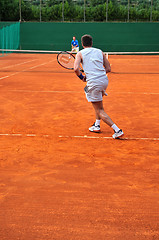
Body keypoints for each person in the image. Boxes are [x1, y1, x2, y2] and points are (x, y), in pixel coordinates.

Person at [74, 34, 124, 139]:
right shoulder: (99, 51)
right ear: (91, 43)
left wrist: (83, 78)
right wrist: (95, 74)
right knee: (98, 105)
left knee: (99, 110)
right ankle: (96, 125)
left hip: (94, 83)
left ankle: (117, 130)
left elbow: (75, 69)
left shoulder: (80, 53)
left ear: (82, 44)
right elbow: (108, 68)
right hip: (104, 80)